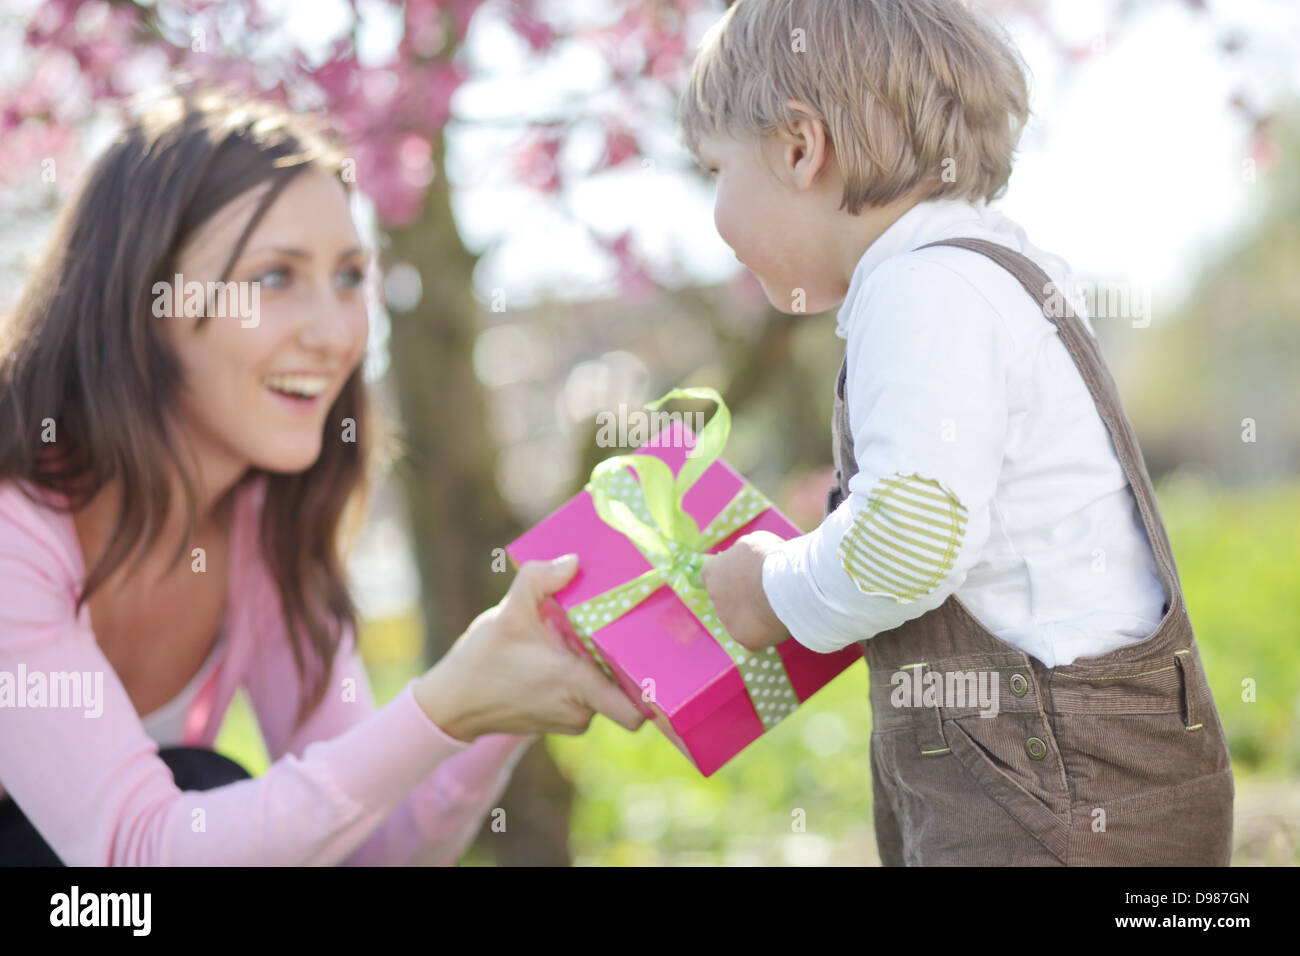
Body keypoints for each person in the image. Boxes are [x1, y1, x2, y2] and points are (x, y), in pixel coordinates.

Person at [0, 86, 644, 867]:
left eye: (348, 278)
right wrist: (438, 705)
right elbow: (137, 854)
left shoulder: (263, 531)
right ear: (146, 299)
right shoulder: (16, 530)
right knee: (198, 786)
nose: (335, 333)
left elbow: (369, 849)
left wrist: (497, 700)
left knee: (214, 792)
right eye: (274, 279)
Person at [688, 0, 1234, 865]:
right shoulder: (992, 272)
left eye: (713, 168)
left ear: (799, 148)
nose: (711, 210)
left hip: (1047, 806)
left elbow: (909, 544)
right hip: (1107, 778)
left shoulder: (921, 293)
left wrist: (771, 589)